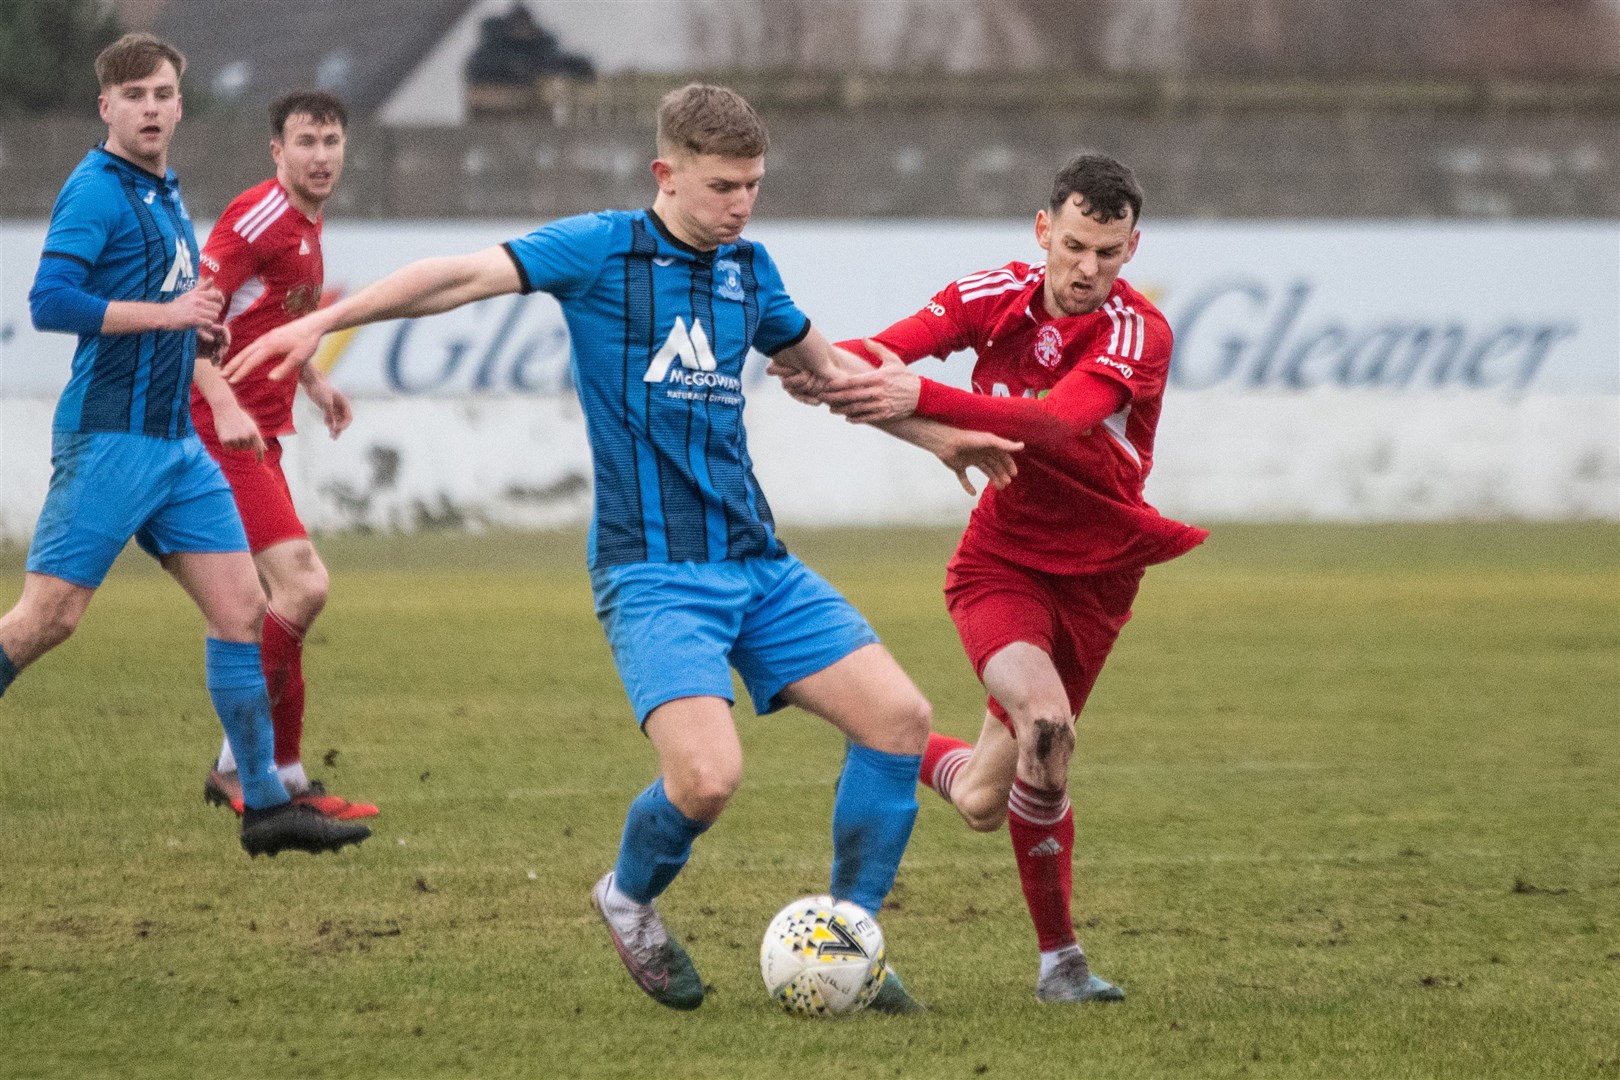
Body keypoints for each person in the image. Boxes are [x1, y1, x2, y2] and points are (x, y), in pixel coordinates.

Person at [222, 83, 1020, 1011]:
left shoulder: (749, 272)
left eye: (754, 184)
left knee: (899, 721)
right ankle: (628, 898)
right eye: (724, 186)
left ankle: (851, 941)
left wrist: (938, 436)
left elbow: (832, 375)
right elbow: (457, 276)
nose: (742, 203)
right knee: (708, 778)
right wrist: (323, 321)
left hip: (757, 561)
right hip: (652, 571)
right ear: (665, 174)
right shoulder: (602, 250)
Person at [788, 153, 1209, 1002]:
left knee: (986, 796)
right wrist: (825, 369)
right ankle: (1062, 965)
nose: (1089, 269)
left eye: (1110, 252)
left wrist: (921, 397)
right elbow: (891, 347)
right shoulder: (992, 293)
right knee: (1047, 731)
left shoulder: (1140, 332)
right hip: (1001, 564)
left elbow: (1053, 427)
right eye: (1077, 245)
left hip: (1100, 578)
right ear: (1044, 229)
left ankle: (889, 746)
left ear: (1134, 247)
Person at [0, 33, 370, 858]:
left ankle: (266, 802)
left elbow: (212, 314)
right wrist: (173, 323)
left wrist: (288, 373)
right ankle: (267, 788)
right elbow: (51, 300)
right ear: (108, 107)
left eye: (165, 93)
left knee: (243, 611)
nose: (154, 108)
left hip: (176, 448)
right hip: (111, 439)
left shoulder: (165, 191)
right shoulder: (95, 191)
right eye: (135, 96)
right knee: (47, 619)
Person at [190, 90, 377, 821]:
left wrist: (314, 378)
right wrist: (226, 402)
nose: (322, 156)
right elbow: (190, 314)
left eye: (332, 141)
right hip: (216, 430)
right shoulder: (260, 216)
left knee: (275, 601)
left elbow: (274, 317)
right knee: (301, 587)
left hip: (259, 435)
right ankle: (244, 765)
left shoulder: (306, 224)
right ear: (278, 150)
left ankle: (285, 775)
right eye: (307, 142)